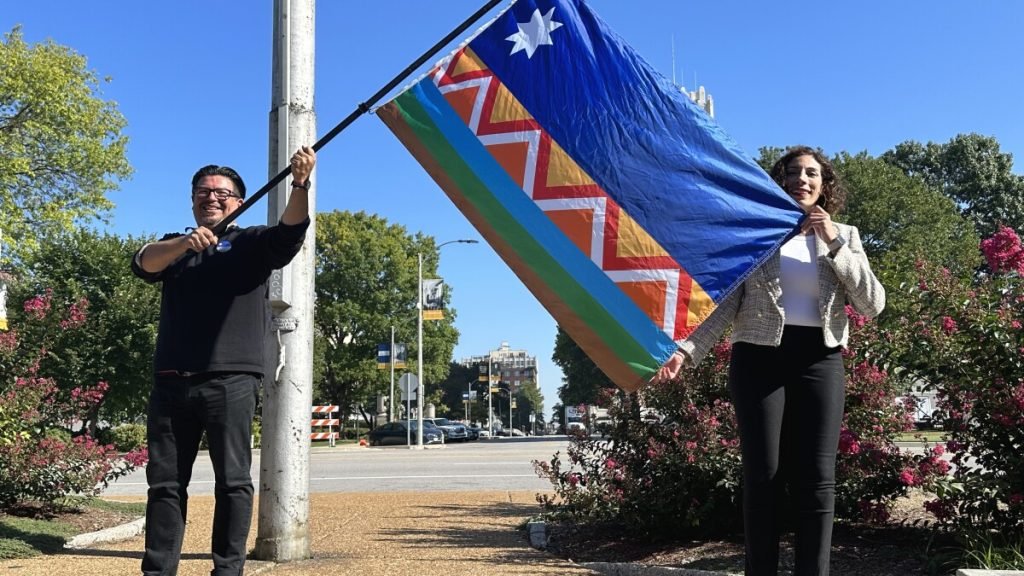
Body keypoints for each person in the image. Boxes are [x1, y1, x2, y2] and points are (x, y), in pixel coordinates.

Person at [653, 146, 885, 576]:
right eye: (794, 172)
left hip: (821, 358)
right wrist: (687, 349)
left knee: (818, 476)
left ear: (824, 183)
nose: (803, 179)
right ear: (780, 181)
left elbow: (871, 303)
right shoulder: (758, 234)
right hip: (759, 359)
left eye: (812, 173)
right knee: (764, 475)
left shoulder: (845, 236)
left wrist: (832, 242)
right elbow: (726, 302)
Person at [131, 146, 316, 576]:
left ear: (239, 201)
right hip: (171, 381)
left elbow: (290, 232)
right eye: (203, 191)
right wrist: (183, 244)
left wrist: (300, 184)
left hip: (230, 380)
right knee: (164, 486)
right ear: (192, 200)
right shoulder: (175, 247)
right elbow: (143, 262)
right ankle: (158, 570)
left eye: (222, 193)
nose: (211, 198)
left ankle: (227, 569)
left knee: (232, 482)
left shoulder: (250, 242)